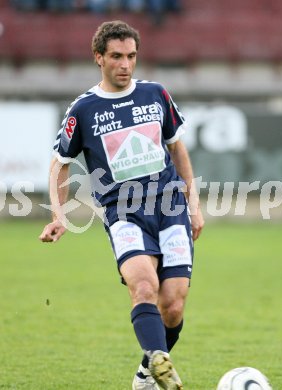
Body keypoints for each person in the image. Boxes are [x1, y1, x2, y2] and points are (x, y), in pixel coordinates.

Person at [39, 20, 204, 390]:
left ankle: (147, 372)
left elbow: (177, 147)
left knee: (173, 304)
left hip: (170, 206)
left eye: (131, 56)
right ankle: (160, 360)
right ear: (99, 58)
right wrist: (59, 215)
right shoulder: (84, 109)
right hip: (123, 213)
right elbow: (59, 164)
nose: (125, 64)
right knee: (143, 288)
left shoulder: (156, 94)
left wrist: (194, 204)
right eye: (116, 56)